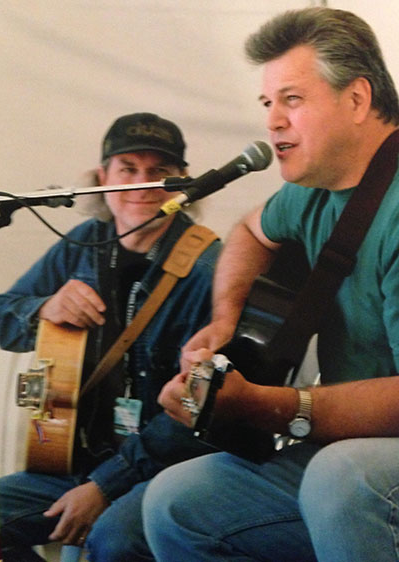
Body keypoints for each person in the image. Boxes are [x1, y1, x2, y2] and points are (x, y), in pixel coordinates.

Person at [141, 8, 399, 562]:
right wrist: (226, 317)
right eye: (267, 103)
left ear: (356, 99)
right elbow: (248, 233)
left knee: (341, 477)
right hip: (353, 447)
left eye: (292, 99)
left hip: (364, 462)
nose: (272, 121)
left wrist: (268, 405)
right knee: (177, 503)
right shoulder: (314, 184)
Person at [0, 112, 221, 561]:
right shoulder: (84, 242)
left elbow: (203, 415)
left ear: (183, 184)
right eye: (128, 170)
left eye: (159, 171)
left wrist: (107, 486)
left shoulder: (208, 269)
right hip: (75, 465)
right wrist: (42, 308)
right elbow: (3, 317)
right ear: (102, 178)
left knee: (115, 542)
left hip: (162, 474)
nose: (142, 184)